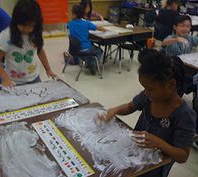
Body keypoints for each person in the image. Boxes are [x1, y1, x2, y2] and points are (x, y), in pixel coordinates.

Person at [100, 49, 196, 177]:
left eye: (150, 88)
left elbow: (182, 155)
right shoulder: (149, 97)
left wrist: (158, 143)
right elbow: (130, 106)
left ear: (171, 85)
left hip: (155, 168)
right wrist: (114, 110)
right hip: (133, 157)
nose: (146, 92)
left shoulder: (184, 115)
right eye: (144, 87)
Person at [0, 0, 57, 113]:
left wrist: (48, 69)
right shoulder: (7, 36)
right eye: (23, 25)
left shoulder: (34, 34)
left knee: (35, 108)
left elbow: (40, 51)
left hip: (34, 78)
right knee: (17, 110)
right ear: (15, 21)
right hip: (13, 81)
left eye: (31, 26)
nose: (27, 29)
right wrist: (5, 78)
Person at [68, 4, 105, 75]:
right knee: (99, 50)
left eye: (72, 13)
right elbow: (98, 28)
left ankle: (89, 61)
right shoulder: (86, 23)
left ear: (75, 15)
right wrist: (104, 29)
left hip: (75, 49)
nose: (71, 15)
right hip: (86, 48)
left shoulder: (70, 24)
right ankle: (92, 63)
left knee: (90, 49)